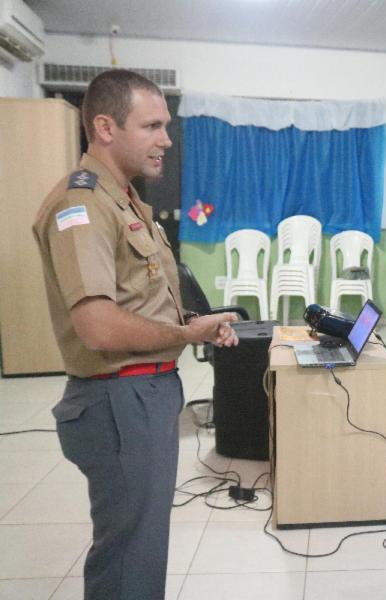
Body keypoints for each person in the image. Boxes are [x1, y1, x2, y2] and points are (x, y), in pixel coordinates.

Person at [32, 70, 239, 600]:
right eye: (151, 126)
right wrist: (185, 334)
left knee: (139, 546)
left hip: (143, 392)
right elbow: (97, 323)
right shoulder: (81, 205)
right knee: (129, 556)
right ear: (104, 126)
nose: (166, 139)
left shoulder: (122, 199)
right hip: (119, 400)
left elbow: (136, 299)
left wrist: (191, 327)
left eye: (166, 125)